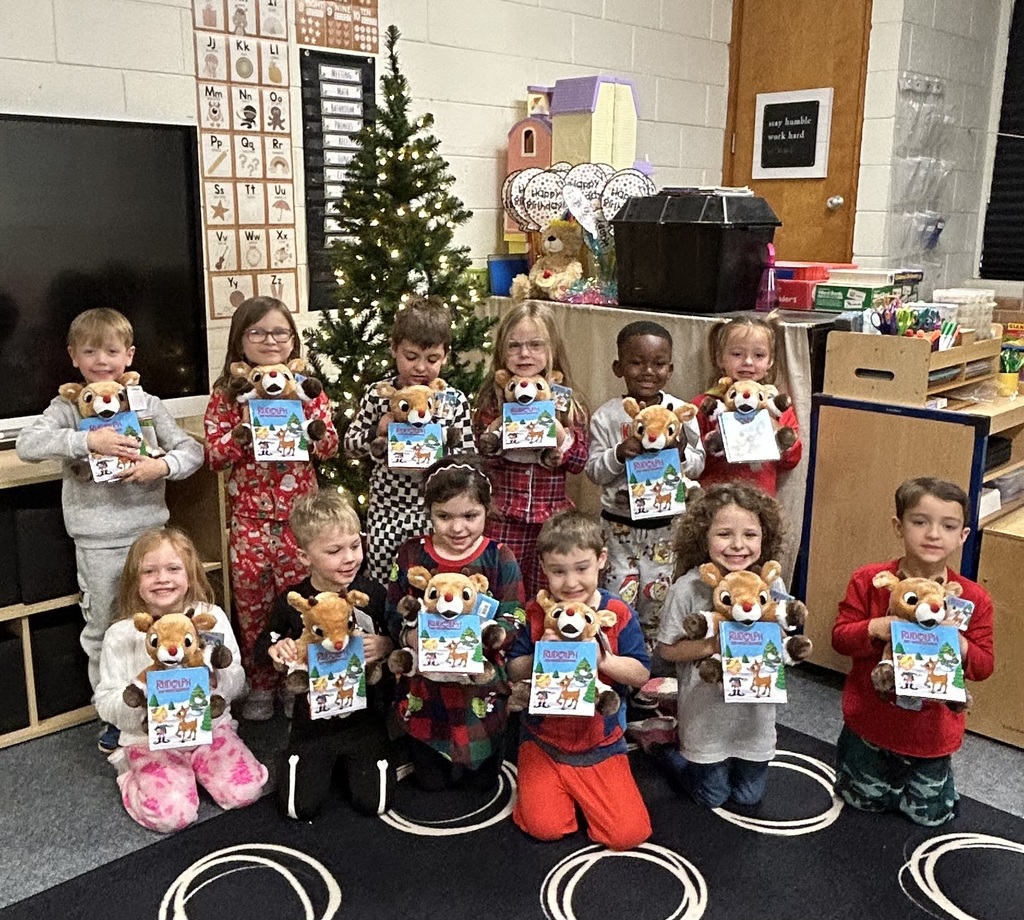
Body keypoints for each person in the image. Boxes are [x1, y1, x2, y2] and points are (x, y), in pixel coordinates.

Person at [15, 307, 203, 754]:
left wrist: (161, 466)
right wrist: (86, 440)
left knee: (168, 623)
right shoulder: (67, 407)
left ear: (129, 356)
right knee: (104, 629)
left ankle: (176, 709)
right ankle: (115, 716)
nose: (102, 360)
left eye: (112, 351)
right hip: (98, 543)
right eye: (90, 352)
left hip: (150, 537)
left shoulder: (147, 404)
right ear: (73, 357)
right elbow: (27, 444)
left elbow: (192, 451)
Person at [204, 296, 339, 722]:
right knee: (254, 608)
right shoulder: (228, 395)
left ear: (293, 340)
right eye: (257, 332)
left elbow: (330, 447)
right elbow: (214, 456)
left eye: (280, 332)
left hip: (302, 521)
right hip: (250, 521)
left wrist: (308, 427)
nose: (270, 340)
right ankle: (262, 681)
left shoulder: (309, 389)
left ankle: (299, 678)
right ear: (240, 342)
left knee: (304, 602)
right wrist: (245, 432)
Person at [832, 477, 994, 826]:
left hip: (932, 733)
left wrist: (959, 643)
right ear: (898, 526)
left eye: (948, 526)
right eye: (920, 522)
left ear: (963, 535)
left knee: (930, 817)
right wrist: (878, 627)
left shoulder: (972, 598)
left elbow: (984, 666)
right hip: (871, 722)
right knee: (861, 805)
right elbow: (840, 639)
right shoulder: (870, 580)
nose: (933, 534)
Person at [94, 527, 267, 833]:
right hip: (149, 740)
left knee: (246, 791)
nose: (162, 578)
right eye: (149, 571)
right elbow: (106, 703)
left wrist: (217, 683)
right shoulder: (120, 635)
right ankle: (130, 773)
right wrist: (140, 697)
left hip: (210, 730)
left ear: (191, 575)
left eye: (173, 568)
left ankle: (195, 769)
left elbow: (237, 677)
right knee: (173, 816)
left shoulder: (210, 618)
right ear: (134, 581)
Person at [507, 510, 652, 851]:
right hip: (544, 739)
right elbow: (513, 669)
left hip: (601, 742)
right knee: (544, 827)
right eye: (558, 571)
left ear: (601, 559)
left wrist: (605, 661)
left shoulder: (617, 613)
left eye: (582, 568)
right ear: (543, 567)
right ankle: (555, 785)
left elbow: (642, 673)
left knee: (628, 834)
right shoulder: (536, 611)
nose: (571, 583)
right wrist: (540, 654)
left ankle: (586, 785)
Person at [254, 490, 397, 820]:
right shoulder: (294, 600)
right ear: (304, 556)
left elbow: (401, 641)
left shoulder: (372, 594)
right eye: (334, 551)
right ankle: (299, 757)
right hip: (313, 722)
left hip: (366, 718)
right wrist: (277, 649)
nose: (349, 558)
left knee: (374, 805)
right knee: (298, 809)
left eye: (355, 546)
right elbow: (263, 646)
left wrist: (385, 645)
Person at [387, 455, 525, 791]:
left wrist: (489, 637)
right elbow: (392, 611)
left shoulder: (499, 557)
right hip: (426, 698)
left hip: (480, 697)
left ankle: (480, 756)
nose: (458, 528)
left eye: (470, 516)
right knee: (430, 785)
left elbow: (514, 615)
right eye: (444, 516)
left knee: (482, 786)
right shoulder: (411, 554)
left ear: (486, 510)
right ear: (429, 512)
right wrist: (410, 635)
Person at [656, 483, 788, 811]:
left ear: (765, 537)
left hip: (754, 719)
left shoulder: (772, 584)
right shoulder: (688, 588)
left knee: (748, 797)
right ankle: (665, 751)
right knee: (712, 797)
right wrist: (715, 644)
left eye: (750, 535)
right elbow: (667, 650)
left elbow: (784, 635)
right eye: (724, 534)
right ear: (704, 537)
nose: (738, 545)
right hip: (706, 717)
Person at [586, 320, 705, 657]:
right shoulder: (608, 416)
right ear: (618, 367)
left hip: (665, 527)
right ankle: (617, 657)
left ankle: (649, 667)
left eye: (658, 363)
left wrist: (680, 454)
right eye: (637, 362)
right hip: (619, 526)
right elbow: (593, 470)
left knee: (658, 594)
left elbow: (699, 463)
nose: (648, 371)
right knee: (618, 593)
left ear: (670, 369)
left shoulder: (680, 413)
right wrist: (617, 454)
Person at [344, 296, 475, 583]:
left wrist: (445, 450)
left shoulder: (453, 401)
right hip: (387, 510)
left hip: (434, 512)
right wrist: (377, 433)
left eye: (432, 359)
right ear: (394, 349)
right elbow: (350, 445)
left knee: (431, 581)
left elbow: (469, 458)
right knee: (382, 580)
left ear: (446, 355)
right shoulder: (379, 395)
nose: (420, 368)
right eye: (411, 356)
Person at [473, 301, 589, 598]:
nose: (524, 354)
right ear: (501, 351)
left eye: (535, 345)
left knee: (548, 594)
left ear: (552, 350)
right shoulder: (490, 401)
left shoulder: (567, 404)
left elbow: (579, 462)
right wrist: (499, 428)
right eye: (514, 346)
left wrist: (558, 432)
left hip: (551, 521)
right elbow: (480, 456)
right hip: (503, 518)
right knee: (502, 592)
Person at [692, 314, 801, 496]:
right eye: (737, 354)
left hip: (760, 498)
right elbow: (691, 460)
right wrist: (713, 442)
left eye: (759, 355)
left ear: (770, 361)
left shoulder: (778, 407)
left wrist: (777, 431)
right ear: (720, 358)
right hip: (714, 498)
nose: (748, 362)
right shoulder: (706, 405)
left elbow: (791, 460)